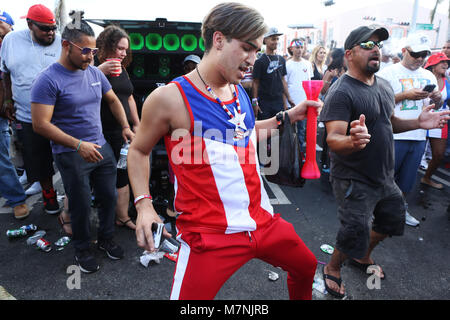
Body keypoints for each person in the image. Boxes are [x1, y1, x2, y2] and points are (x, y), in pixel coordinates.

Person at [128, 2, 319, 300]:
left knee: (306, 267)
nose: (252, 60)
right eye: (246, 48)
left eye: (256, 51)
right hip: (210, 236)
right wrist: (143, 205)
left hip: (264, 222)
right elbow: (138, 151)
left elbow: (244, 135)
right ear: (218, 39)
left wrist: (288, 116)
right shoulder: (168, 98)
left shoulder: (238, 89)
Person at [320, 26, 450, 299]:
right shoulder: (341, 91)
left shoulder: (383, 86)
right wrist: (351, 141)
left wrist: (418, 122)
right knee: (353, 229)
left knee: (392, 220)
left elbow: (390, 123)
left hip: (384, 175)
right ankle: (333, 267)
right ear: (349, 54)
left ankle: (362, 255)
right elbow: (332, 138)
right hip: (353, 177)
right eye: (367, 44)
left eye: (378, 44)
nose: (376, 48)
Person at [30, 18, 135, 273]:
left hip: (101, 149)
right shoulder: (47, 80)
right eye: (85, 50)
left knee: (109, 197)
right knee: (80, 205)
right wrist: (78, 145)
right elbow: (41, 125)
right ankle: (82, 249)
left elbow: (112, 100)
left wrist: (124, 126)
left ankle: (107, 239)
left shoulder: (94, 73)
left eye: (94, 51)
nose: (90, 57)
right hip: (71, 153)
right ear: (66, 45)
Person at [0, 4, 61, 215]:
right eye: (44, 29)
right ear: (29, 25)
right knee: (38, 159)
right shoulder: (11, 41)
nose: (50, 33)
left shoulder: (61, 42)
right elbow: (5, 73)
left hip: (61, 116)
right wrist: (7, 100)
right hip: (27, 115)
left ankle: (73, 198)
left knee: (68, 157)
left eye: (52, 28)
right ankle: (48, 194)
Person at [378, 33, 442, 227]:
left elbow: (434, 106)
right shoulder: (387, 73)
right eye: (416, 54)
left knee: (407, 180)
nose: (421, 59)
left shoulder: (428, 75)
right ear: (404, 51)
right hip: (393, 135)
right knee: (385, 178)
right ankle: (376, 211)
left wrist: (437, 100)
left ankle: (400, 209)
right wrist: (405, 95)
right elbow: (377, 103)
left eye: (425, 55)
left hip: (419, 136)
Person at [96, 25, 140, 230]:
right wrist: (99, 72)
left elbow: (129, 96)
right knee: (100, 177)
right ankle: (71, 217)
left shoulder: (122, 68)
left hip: (122, 131)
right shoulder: (93, 66)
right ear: (107, 46)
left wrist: (136, 123)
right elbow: (78, 86)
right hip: (101, 131)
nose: (123, 53)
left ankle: (122, 217)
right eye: (119, 48)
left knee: (123, 172)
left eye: (125, 49)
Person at [0, 10, 29, 220]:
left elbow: (7, 77)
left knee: (1, 157)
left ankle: (17, 198)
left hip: (4, 108)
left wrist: (7, 102)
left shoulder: (8, 45)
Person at [420, 52, 449, 189]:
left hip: (439, 119)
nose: (445, 64)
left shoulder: (448, 80)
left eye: (446, 62)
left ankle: (426, 178)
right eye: (441, 62)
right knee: (415, 152)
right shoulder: (422, 78)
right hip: (421, 118)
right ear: (432, 65)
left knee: (438, 154)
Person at [252, 27, 295, 120]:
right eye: (273, 39)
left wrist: (288, 99)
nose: (275, 41)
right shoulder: (260, 61)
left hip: (278, 102)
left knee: (276, 130)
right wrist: (254, 103)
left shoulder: (282, 60)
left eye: (277, 39)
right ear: (265, 40)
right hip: (264, 102)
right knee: (265, 131)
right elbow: (255, 82)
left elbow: (283, 80)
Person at [285, 39, 313, 151]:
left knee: (301, 131)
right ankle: (289, 156)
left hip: (304, 102)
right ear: (292, 49)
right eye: (297, 47)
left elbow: (309, 83)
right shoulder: (287, 64)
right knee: (290, 131)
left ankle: (300, 154)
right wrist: (286, 101)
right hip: (291, 103)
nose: (299, 50)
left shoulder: (307, 64)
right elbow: (285, 85)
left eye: (301, 47)